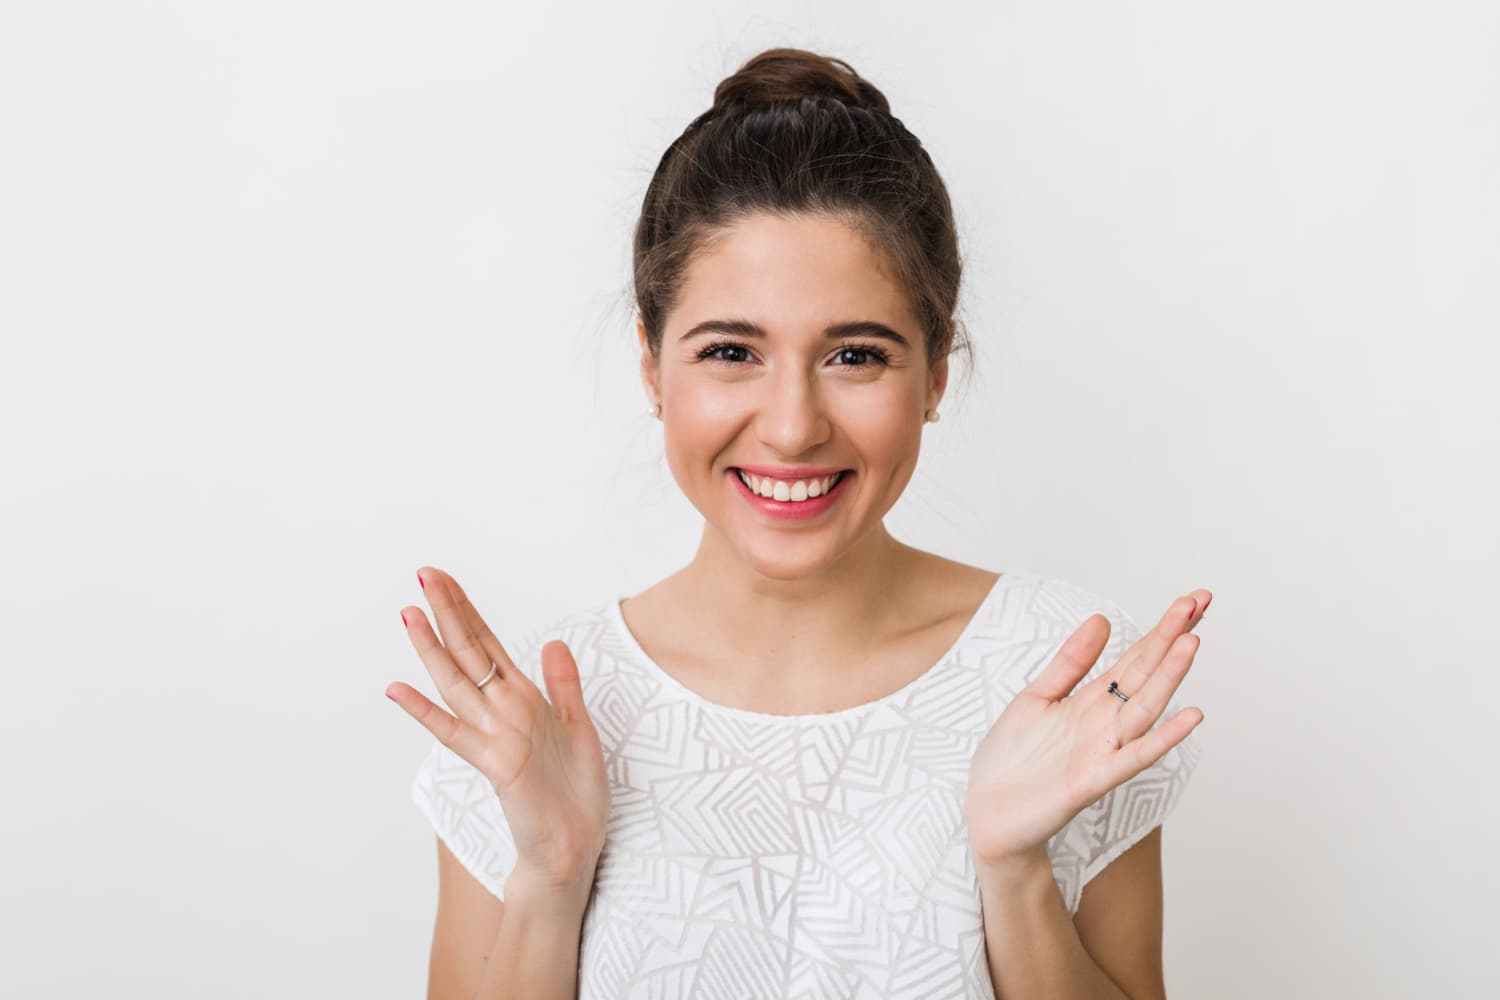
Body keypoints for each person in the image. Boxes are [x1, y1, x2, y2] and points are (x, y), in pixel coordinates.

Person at [385, 46, 1207, 1000]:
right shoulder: (532, 718)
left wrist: (1014, 876)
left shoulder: (1067, 677)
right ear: (653, 367)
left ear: (936, 374)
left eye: (856, 355)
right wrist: (550, 877)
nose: (791, 427)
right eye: (731, 350)